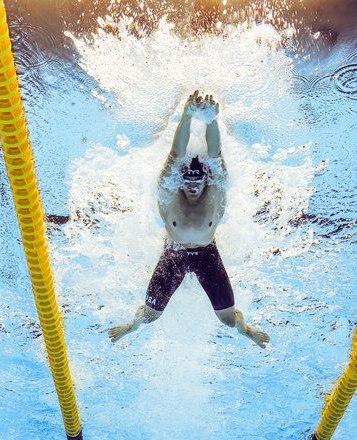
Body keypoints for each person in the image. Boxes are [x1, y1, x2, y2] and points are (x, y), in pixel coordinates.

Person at [108, 90, 270, 348]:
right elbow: (175, 153)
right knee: (150, 316)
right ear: (181, 179)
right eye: (188, 179)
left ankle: (245, 328)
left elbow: (215, 156)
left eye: (198, 179)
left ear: (205, 178)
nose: (193, 185)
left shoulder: (215, 187)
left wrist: (211, 120)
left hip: (208, 255)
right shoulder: (169, 187)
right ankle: (133, 324)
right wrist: (186, 115)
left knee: (228, 320)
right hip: (174, 255)